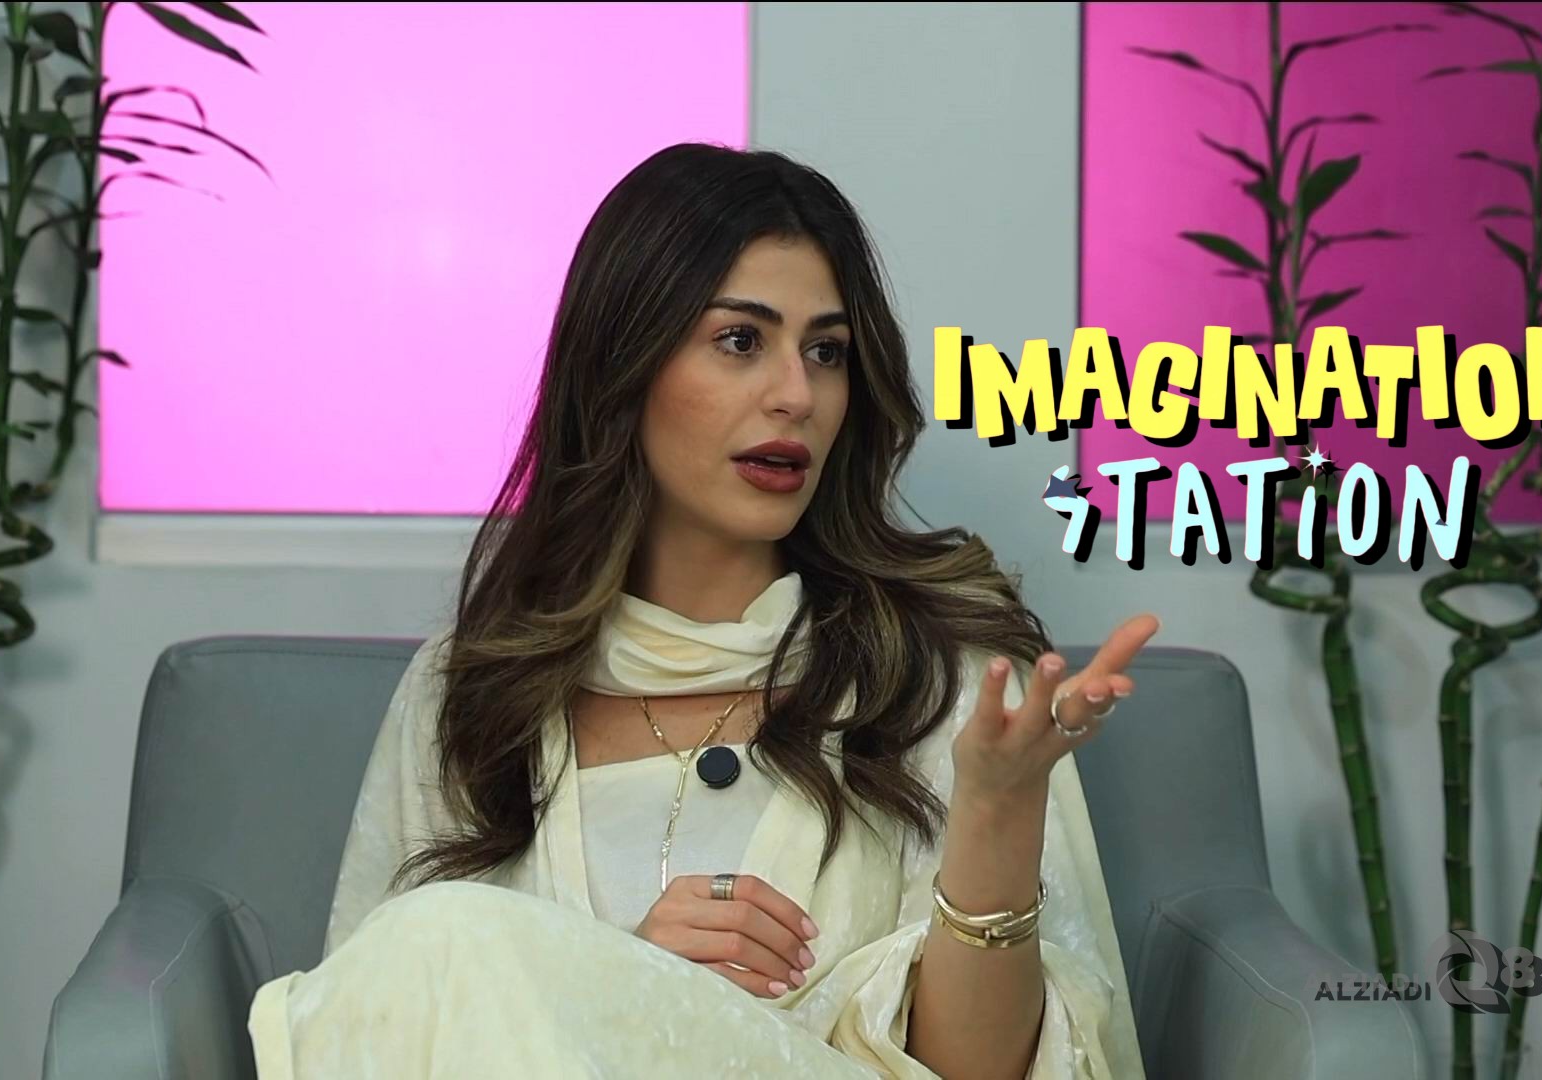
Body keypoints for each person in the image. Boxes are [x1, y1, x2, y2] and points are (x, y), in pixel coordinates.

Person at [247, 142, 1159, 1079]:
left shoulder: (940, 676)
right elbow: (380, 1030)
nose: (796, 395)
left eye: (826, 353)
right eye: (740, 341)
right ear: (624, 364)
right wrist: (623, 991)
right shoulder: (471, 690)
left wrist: (999, 810)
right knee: (436, 940)